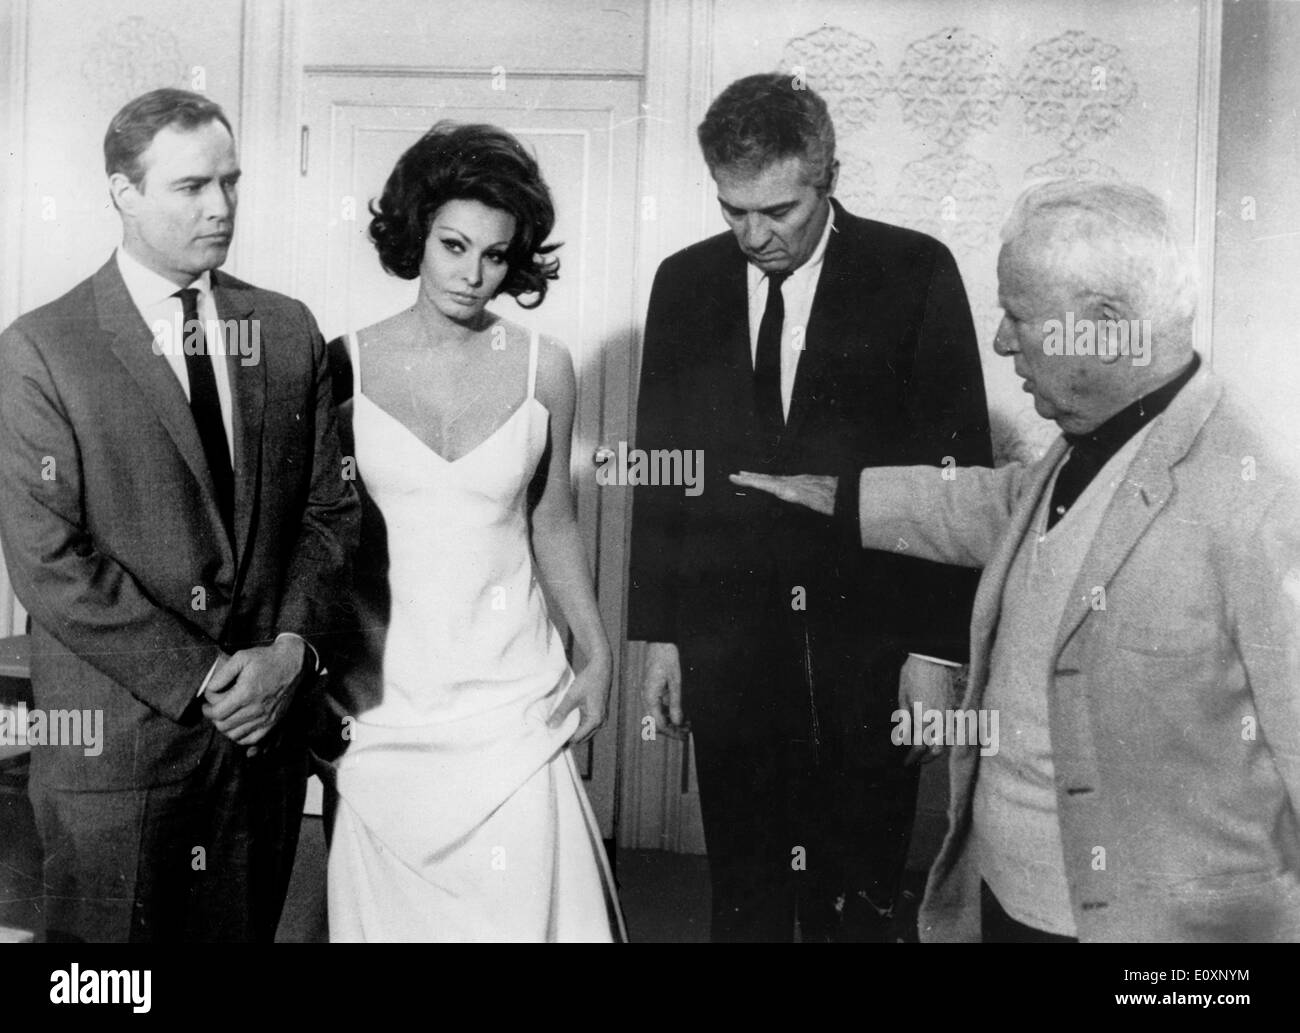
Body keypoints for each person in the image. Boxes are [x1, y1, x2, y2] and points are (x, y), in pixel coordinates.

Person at [734, 179, 1300, 942]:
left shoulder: (1258, 499)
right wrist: (835, 496)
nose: (1001, 342)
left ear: (1103, 329)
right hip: (1008, 900)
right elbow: (998, 506)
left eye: (1021, 319)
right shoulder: (1099, 438)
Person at [628, 72, 992, 942]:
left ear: (830, 174)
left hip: (872, 645)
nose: (755, 236)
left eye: (779, 211)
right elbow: (662, 470)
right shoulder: (683, 284)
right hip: (727, 645)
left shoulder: (915, 272)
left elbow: (956, 477)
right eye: (733, 210)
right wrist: (662, 636)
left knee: (859, 892)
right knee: (744, 894)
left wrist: (936, 652)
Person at [0, 88, 360, 942]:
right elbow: (51, 561)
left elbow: (331, 511)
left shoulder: (286, 328)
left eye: (232, 182)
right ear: (122, 192)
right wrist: (204, 680)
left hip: (261, 757)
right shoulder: (41, 350)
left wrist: (288, 654)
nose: (222, 207)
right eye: (192, 186)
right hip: (118, 763)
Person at [320, 122, 624, 942]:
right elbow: (320, 542)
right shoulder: (341, 365)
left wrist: (596, 654)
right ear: (416, 231)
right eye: (454, 245)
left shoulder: (544, 367)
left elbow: (551, 520)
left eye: (495, 255)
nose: (472, 273)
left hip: (513, 704)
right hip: (388, 707)